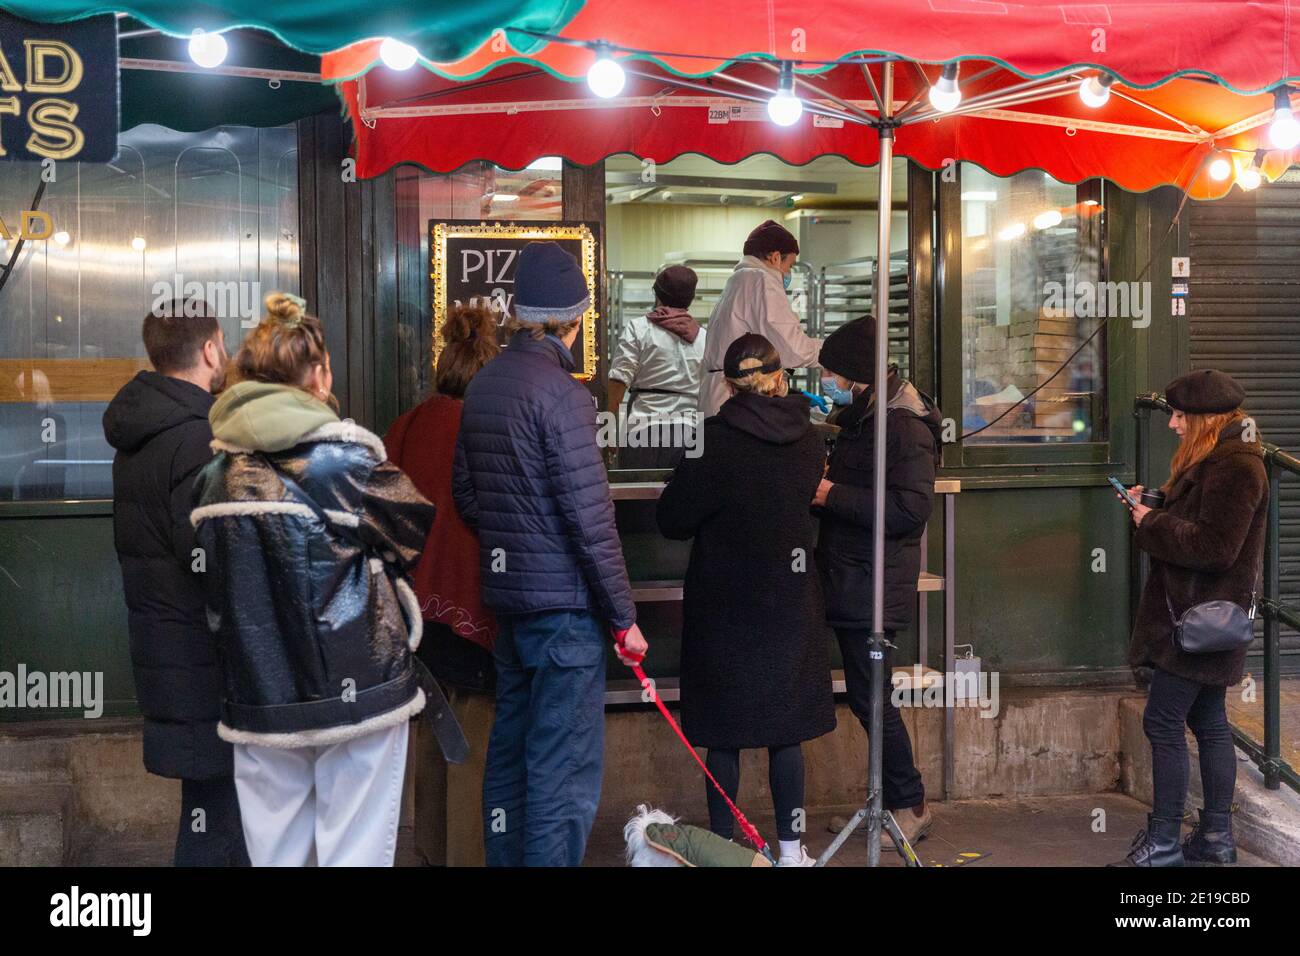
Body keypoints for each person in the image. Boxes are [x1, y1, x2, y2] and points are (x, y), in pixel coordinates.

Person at [191, 292, 435, 867]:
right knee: (354, 852)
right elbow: (412, 529)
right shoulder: (348, 464)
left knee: (276, 857)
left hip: (259, 700)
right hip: (359, 693)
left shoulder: (213, 476)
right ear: (320, 376)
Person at [453, 240, 648, 867]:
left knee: (510, 759)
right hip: (566, 616)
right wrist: (624, 617)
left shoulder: (484, 384)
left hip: (511, 608)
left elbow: (466, 492)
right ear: (574, 317)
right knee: (560, 775)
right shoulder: (565, 395)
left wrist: (519, 536)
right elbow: (592, 522)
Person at [656, 333, 834, 867]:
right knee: (787, 735)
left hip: (724, 607)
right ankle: (789, 851)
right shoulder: (810, 440)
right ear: (780, 377)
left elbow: (672, 520)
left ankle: (723, 851)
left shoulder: (710, 440)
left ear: (729, 386)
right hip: (790, 603)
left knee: (724, 736)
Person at [104, 298, 247, 867]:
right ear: (211, 348)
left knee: (211, 815)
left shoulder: (143, 430)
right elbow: (209, 559)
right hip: (201, 661)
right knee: (216, 828)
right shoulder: (194, 437)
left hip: (169, 654)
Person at [1112, 369, 1267, 867]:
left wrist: (1152, 523)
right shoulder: (1216, 459)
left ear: (1206, 419)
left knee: (1162, 722)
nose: (1173, 424)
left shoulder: (1237, 467)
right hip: (1201, 618)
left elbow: (1216, 547)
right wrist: (1150, 507)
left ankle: (1162, 845)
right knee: (1209, 720)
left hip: (1198, 620)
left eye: (1180, 416)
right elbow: (1199, 526)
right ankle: (1217, 840)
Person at [812, 315, 943, 849]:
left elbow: (910, 510)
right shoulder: (869, 415)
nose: (827, 378)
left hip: (874, 582)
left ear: (851, 372)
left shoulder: (902, 425)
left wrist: (828, 495)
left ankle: (909, 805)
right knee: (869, 697)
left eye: (832, 370)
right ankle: (885, 801)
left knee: (873, 698)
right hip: (855, 576)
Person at [384, 301, 500, 866]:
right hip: (476, 607)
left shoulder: (404, 427)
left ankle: (429, 856)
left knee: (430, 745)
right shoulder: (487, 429)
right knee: (473, 757)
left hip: (414, 615)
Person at [698, 219, 821, 418]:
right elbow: (793, 349)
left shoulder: (738, 280)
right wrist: (831, 351)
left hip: (718, 394)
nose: (788, 274)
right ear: (775, 258)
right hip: (739, 396)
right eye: (789, 266)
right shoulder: (762, 280)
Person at [608, 265, 706, 469]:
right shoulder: (705, 338)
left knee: (638, 499)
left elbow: (617, 384)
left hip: (642, 433)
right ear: (691, 297)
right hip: (690, 434)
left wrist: (609, 434)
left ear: (658, 294)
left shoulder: (638, 328)